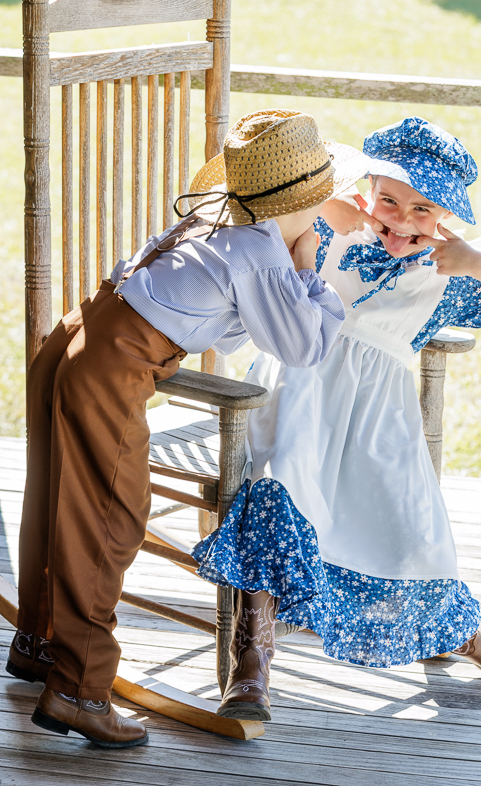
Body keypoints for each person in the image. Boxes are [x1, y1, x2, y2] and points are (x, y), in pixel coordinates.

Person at [7, 108, 368, 748]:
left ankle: (40, 643)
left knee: (58, 495)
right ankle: (78, 690)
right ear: (310, 202)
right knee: (110, 518)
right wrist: (311, 268)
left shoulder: (217, 214)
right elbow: (305, 346)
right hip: (113, 362)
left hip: (75, 335)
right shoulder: (265, 255)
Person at [192, 116, 481, 722]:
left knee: (408, 523)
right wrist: (324, 212)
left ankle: (455, 629)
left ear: (447, 218)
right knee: (280, 483)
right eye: (388, 198)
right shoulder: (325, 226)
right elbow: (234, 224)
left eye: (422, 209)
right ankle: (252, 662)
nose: (400, 218)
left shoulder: (451, 270)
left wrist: (477, 265)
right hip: (300, 390)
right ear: (365, 188)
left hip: (377, 421)